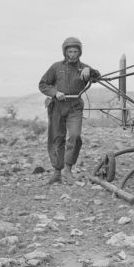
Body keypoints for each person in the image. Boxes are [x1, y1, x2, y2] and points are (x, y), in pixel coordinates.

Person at [39, 37, 100, 185]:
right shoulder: (56, 67)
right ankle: (57, 172)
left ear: (80, 52)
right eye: (70, 51)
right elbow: (43, 84)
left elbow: (97, 77)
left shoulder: (83, 68)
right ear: (65, 52)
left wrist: (90, 71)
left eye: (75, 51)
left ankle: (68, 169)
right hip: (57, 107)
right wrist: (54, 92)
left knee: (75, 135)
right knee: (57, 138)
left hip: (74, 107)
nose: (72, 54)